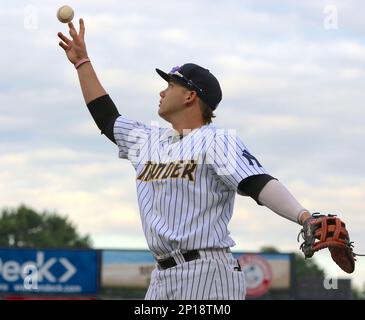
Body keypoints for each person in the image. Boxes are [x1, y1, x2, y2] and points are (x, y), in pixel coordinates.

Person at [58, 19, 312, 300]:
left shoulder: (215, 139)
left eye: (170, 84)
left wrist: (304, 217)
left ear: (191, 95)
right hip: (161, 275)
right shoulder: (149, 140)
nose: (162, 91)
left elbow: (257, 182)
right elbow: (107, 118)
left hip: (208, 272)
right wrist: (82, 63)